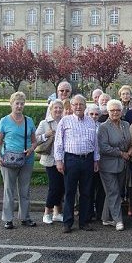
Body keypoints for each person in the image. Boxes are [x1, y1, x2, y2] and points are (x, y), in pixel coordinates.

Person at [54, 94, 100, 233]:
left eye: (81, 104)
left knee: (86, 192)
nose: (78, 107)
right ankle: (67, 222)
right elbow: (58, 142)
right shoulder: (65, 121)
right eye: (75, 104)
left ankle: (84, 221)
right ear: (71, 106)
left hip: (87, 159)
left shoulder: (91, 122)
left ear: (85, 106)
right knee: (70, 192)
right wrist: (58, 161)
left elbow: (95, 143)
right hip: (71, 159)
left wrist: (96, 160)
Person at [0, 91, 38, 229]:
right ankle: (8, 218)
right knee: (9, 189)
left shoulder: (29, 120)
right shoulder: (4, 121)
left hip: (26, 159)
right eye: (17, 103)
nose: (19, 106)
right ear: (11, 104)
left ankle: (25, 217)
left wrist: (31, 150)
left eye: (22, 104)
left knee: (25, 190)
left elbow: (34, 142)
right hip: (8, 159)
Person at [98, 99, 132, 231]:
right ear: (107, 111)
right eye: (112, 110)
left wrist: (130, 149)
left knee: (115, 191)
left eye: (118, 110)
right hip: (108, 165)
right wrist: (121, 153)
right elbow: (104, 147)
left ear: (122, 111)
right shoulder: (103, 127)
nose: (115, 112)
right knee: (113, 192)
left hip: (123, 165)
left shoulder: (126, 124)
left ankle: (106, 218)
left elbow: (130, 140)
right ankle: (118, 220)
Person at [36, 99, 64, 224]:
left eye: (60, 108)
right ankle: (47, 212)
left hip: (63, 160)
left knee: (61, 187)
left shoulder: (65, 121)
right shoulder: (44, 123)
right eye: (55, 108)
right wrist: (45, 135)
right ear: (51, 109)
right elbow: (35, 139)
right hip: (50, 159)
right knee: (54, 187)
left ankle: (57, 213)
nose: (58, 110)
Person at [85, 104, 104, 220]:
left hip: (100, 160)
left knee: (100, 188)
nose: (94, 116)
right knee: (88, 187)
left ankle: (100, 212)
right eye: (91, 114)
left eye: (96, 114)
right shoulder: (83, 126)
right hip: (87, 160)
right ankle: (88, 212)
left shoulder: (102, 127)